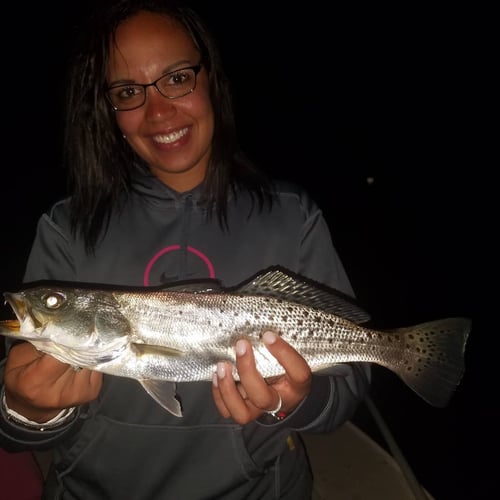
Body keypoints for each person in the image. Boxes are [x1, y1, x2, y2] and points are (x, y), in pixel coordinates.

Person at [0, 0, 370, 498]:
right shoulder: (66, 227)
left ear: (212, 78)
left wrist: (292, 402)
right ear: (108, 111)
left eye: (177, 78)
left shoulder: (292, 215)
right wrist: (33, 409)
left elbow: (347, 386)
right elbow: (14, 427)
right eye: (129, 92)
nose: (157, 111)